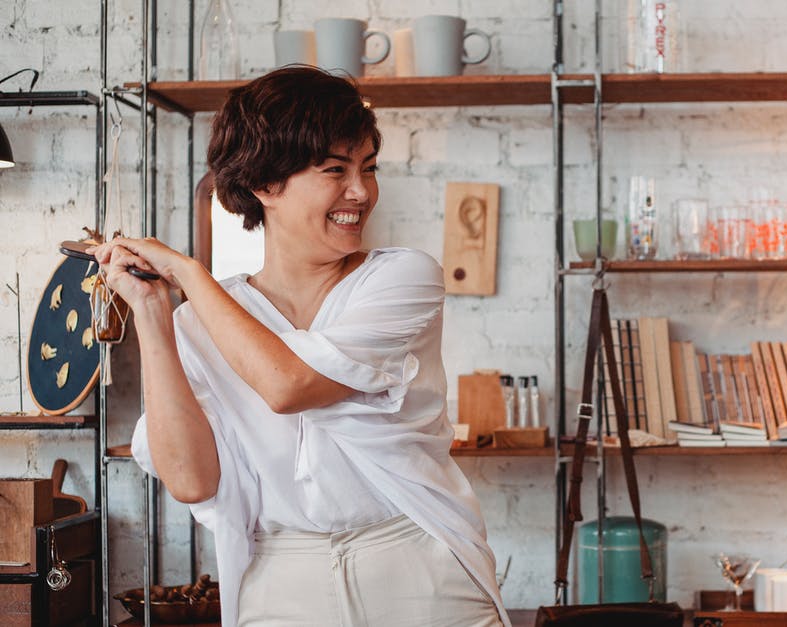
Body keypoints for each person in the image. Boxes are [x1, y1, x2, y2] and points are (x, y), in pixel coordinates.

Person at [92, 66, 509, 627]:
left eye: (368, 168)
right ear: (265, 184)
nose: (360, 192)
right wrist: (151, 310)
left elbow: (289, 386)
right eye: (335, 170)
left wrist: (190, 274)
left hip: (418, 566)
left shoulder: (403, 278)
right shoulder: (201, 321)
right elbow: (191, 480)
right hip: (280, 580)